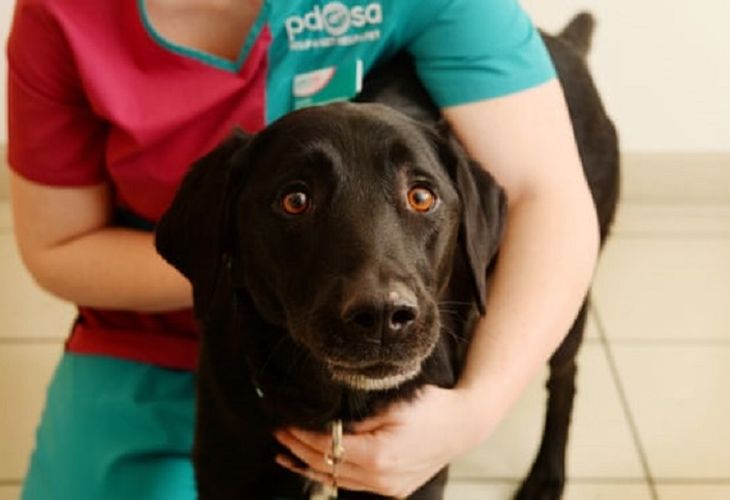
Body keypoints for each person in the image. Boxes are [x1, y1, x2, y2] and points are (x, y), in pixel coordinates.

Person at [7, 0, 599, 498]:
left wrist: (475, 410)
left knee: (554, 349)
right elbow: (59, 245)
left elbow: (545, 197)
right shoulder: (64, 16)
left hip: (291, 301)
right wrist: (246, 267)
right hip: (156, 316)